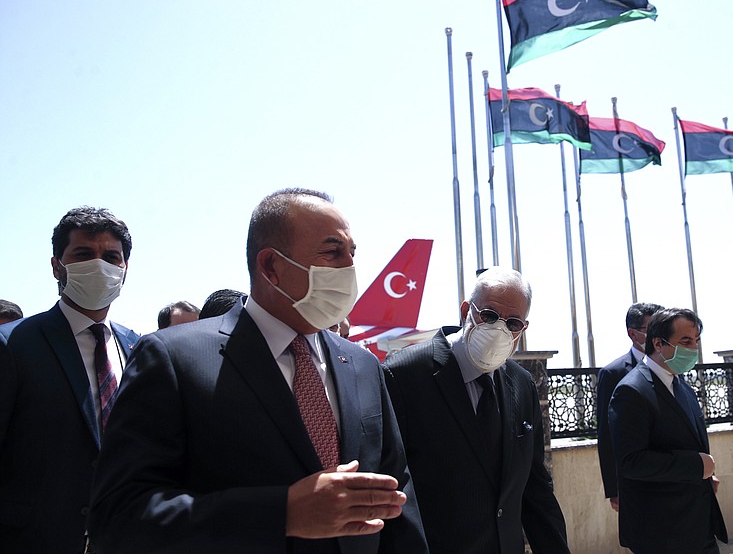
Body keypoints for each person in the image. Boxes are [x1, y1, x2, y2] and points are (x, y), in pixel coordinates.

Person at [88, 188, 428, 554]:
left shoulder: (361, 364)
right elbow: (118, 516)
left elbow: (396, 496)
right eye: (333, 252)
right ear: (270, 267)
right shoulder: (174, 358)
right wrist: (281, 514)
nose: (350, 267)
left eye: (351, 253)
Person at [383, 267, 570, 554]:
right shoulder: (403, 375)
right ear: (465, 311)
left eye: (513, 323)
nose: (499, 329)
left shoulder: (522, 384)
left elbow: (536, 490)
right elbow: (393, 488)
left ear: (524, 328)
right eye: (489, 315)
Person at [0, 206, 139, 553]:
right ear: (56, 266)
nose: (99, 265)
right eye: (83, 254)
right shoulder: (13, 345)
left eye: (111, 257)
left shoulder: (138, 347)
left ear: (125, 270)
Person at [609, 308, 728, 554]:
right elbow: (631, 461)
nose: (693, 348)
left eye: (696, 341)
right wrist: (695, 466)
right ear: (658, 343)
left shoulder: (683, 387)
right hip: (661, 532)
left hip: (698, 525)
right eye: (685, 341)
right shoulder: (632, 391)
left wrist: (703, 474)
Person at [595, 302, 663, 511]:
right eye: (651, 330)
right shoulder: (613, 373)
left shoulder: (672, 367)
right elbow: (607, 434)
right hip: (635, 480)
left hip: (672, 475)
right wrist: (614, 488)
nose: (658, 337)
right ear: (633, 334)